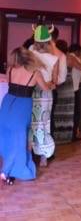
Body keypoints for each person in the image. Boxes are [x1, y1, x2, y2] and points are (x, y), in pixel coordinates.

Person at [0, 47, 53, 185]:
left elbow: (7, 81)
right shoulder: (35, 73)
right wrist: (52, 84)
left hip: (7, 104)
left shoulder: (10, 69)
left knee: (7, 137)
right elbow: (46, 88)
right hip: (22, 106)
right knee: (19, 140)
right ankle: (6, 171)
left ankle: (9, 170)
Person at [29, 24, 59, 167]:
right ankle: (44, 157)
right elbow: (55, 81)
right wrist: (49, 85)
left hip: (31, 91)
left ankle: (29, 154)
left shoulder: (30, 54)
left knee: (30, 123)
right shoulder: (54, 58)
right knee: (44, 124)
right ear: (49, 41)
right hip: (46, 94)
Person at [52, 40, 76, 145]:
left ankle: (56, 136)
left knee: (57, 110)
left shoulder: (54, 56)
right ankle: (65, 136)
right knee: (67, 111)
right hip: (68, 84)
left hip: (58, 84)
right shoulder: (69, 58)